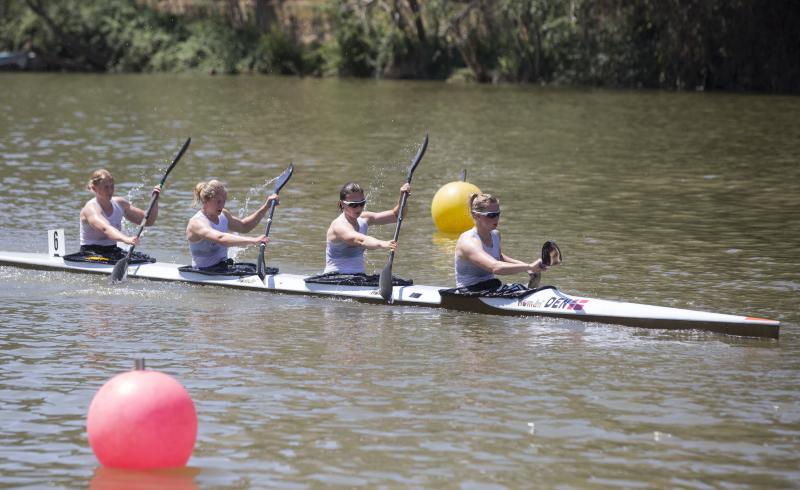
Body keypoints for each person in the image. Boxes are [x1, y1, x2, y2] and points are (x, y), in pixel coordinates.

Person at [453, 193, 555, 292]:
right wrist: (529, 266)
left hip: (490, 287)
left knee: (524, 287)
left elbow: (499, 257)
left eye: (498, 214)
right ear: (476, 216)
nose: (496, 219)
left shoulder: (495, 235)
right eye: (491, 215)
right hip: (467, 292)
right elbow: (495, 267)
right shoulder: (468, 242)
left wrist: (527, 267)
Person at [185, 179, 279, 272]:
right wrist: (253, 240)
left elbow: (245, 226)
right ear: (206, 200)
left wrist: (267, 206)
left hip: (222, 268)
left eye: (224, 201)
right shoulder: (196, 223)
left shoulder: (224, 215)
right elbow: (220, 238)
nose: (221, 206)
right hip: (203, 271)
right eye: (218, 202)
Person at [323, 182, 411, 274]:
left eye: (362, 203)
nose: (359, 208)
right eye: (353, 205)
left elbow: (396, 215)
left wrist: (403, 198)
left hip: (358, 277)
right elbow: (361, 241)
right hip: (334, 277)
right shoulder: (338, 225)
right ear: (342, 204)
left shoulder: (364, 219)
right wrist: (383, 244)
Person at [77, 168, 160, 260]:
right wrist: (127, 239)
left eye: (112, 186)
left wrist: (155, 200)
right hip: (90, 252)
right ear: (94, 188)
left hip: (112, 250)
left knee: (147, 259)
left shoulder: (120, 204)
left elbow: (147, 221)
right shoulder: (91, 208)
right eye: (106, 187)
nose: (110, 190)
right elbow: (106, 229)